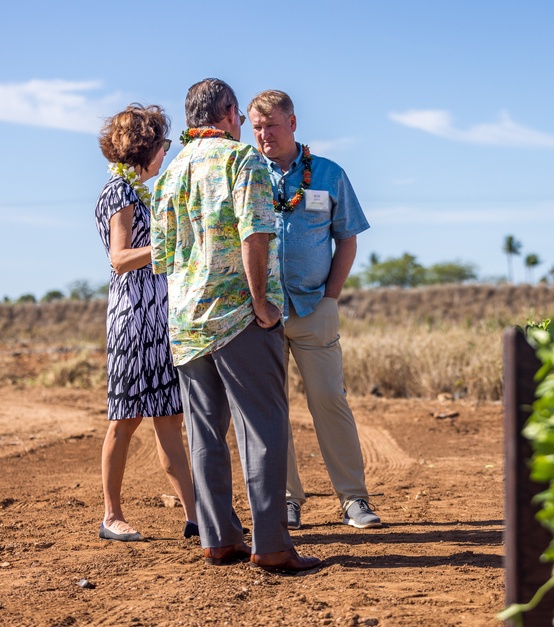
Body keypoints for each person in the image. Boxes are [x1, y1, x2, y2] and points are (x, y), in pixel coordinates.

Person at [150, 79, 320, 574]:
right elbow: (255, 233)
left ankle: (219, 538)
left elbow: (162, 260)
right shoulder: (240, 160)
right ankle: (271, 544)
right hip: (238, 316)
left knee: (205, 433)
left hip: (184, 319)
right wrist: (261, 301)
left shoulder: (169, 174)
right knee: (263, 428)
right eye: (240, 117)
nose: (243, 125)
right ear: (228, 113)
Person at [247, 90, 381, 531]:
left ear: (293, 123)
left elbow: (348, 237)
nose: (264, 134)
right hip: (259, 314)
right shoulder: (246, 175)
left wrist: (331, 297)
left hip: (313, 307)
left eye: (271, 125)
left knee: (329, 399)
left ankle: (354, 500)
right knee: (272, 409)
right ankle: (287, 500)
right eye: (256, 127)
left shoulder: (328, 174)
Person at [94, 103, 197, 542]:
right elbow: (119, 259)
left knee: (169, 417)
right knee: (126, 419)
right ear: (146, 147)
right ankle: (111, 516)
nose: (166, 154)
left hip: (156, 315)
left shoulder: (138, 193)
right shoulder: (120, 193)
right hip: (135, 317)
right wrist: (174, 245)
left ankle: (198, 517)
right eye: (163, 145)